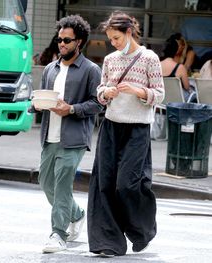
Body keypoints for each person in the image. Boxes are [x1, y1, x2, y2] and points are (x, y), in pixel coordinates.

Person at [87, 11, 165, 257]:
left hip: (138, 128)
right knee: (105, 184)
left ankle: (142, 230)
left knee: (127, 185)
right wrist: (105, 93)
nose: (114, 43)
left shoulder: (149, 58)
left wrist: (138, 90)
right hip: (111, 126)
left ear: (129, 32)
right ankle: (108, 242)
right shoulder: (110, 59)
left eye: (117, 38)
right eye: (111, 39)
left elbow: (160, 94)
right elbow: (100, 89)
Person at [33, 14, 103, 253]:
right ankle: (76, 214)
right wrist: (35, 104)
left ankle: (58, 234)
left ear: (79, 42)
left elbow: (98, 103)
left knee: (62, 184)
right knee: (45, 182)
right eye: (59, 39)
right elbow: (44, 98)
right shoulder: (50, 69)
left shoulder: (91, 70)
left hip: (73, 138)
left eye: (67, 40)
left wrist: (71, 109)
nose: (61, 43)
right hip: (49, 136)